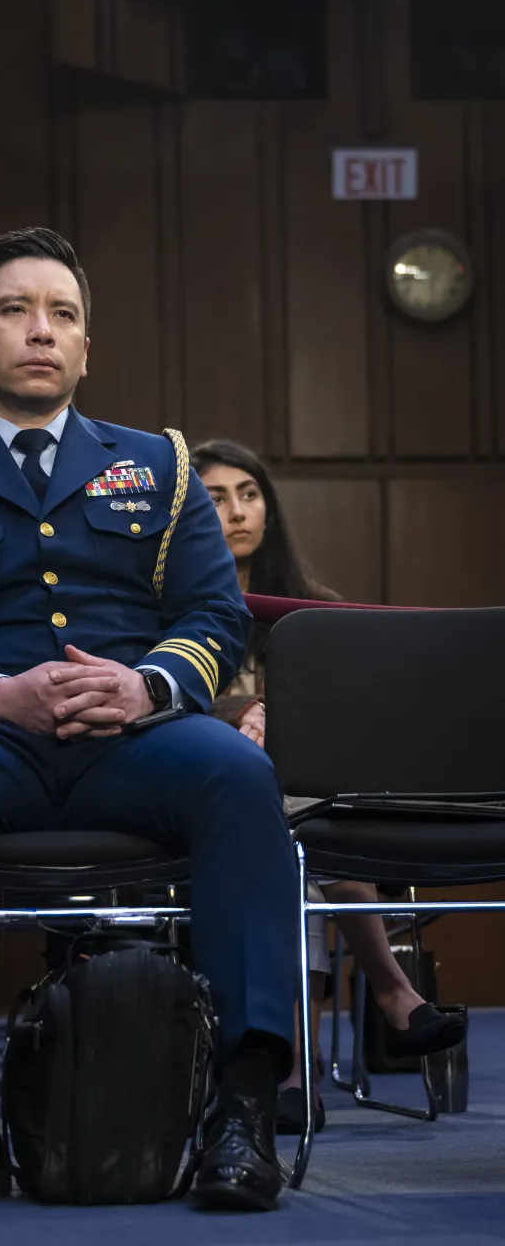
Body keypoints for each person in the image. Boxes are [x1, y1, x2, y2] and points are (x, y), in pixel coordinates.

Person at [0, 227, 299, 1213]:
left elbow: (215, 617)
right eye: (15, 309)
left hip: (133, 739)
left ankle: (244, 1108)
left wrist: (147, 685)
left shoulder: (161, 468)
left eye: (63, 314)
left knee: (237, 773)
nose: (40, 330)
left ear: (87, 348)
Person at [191, 438, 466, 1132]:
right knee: (288, 834)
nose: (236, 511)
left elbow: (352, 721)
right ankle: (388, 993)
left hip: (307, 807)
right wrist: (235, 713)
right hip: (202, 808)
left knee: (298, 840)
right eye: (216, 497)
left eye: (248, 495)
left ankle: (291, 1067)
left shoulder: (313, 611)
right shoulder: (171, 612)